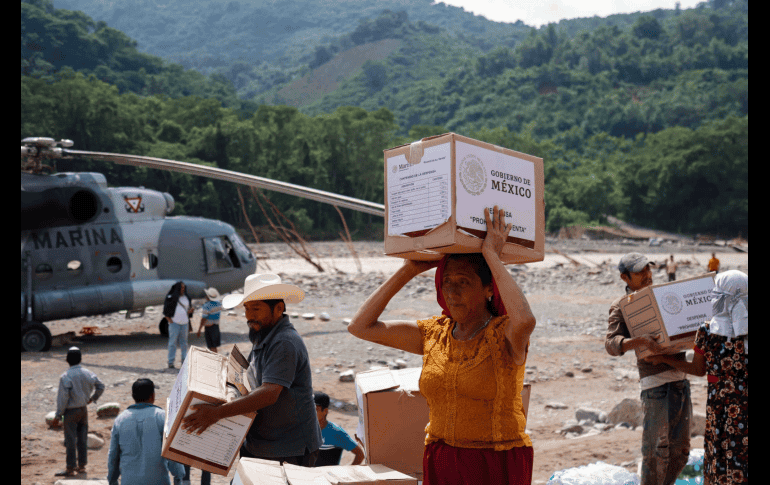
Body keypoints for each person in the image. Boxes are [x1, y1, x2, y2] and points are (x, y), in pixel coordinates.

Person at [347, 206, 535, 485]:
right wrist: (408, 270)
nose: (452, 291)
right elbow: (360, 326)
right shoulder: (434, 334)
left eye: (463, 282)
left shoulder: (503, 335)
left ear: (488, 290)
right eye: (447, 282)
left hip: (495, 461)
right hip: (442, 457)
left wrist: (492, 256)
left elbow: (526, 320)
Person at [181, 273, 322, 467]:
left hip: (288, 448)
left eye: (256, 308)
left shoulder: (284, 342)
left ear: (278, 309)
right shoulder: (263, 334)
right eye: (246, 308)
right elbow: (248, 376)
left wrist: (216, 413)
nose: (249, 315)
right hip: (262, 444)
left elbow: (269, 393)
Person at [646, 270, 748, 484]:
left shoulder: (707, 330)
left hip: (720, 405)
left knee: (720, 451)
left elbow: (698, 369)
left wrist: (664, 358)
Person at [605, 253, 692, 485]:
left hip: (681, 380)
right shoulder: (621, 306)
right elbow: (611, 344)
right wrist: (641, 341)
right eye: (639, 272)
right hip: (655, 386)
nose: (647, 275)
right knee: (655, 452)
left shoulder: (665, 296)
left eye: (648, 269)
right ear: (625, 277)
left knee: (682, 450)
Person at [107, 378, 185, 485]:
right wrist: (178, 476)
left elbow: (113, 455)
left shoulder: (120, 420)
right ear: (153, 396)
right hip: (159, 481)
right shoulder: (161, 417)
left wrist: (112, 479)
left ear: (133, 396)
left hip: (129, 481)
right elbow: (172, 452)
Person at [52, 346, 105, 477]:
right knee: (82, 439)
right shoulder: (88, 373)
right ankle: (82, 466)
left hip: (70, 412)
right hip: (83, 410)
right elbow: (101, 386)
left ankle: (70, 468)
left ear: (67, 360)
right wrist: (93, 398)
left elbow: (63, 399)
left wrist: (58, 415)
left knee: (70, 440)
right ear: (80, 359)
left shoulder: (65, 376)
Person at [313, 391, 365, 466]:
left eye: (315, 410)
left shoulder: (336, 433)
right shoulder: (305, 430)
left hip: (327, 477)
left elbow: (360, 455)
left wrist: (348, 474)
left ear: (325, 411)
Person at [163, 281, 194, 369]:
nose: (183, 289)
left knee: (184, 343)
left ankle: (184, 361)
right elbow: (166, 309)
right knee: (172, 343)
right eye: (181, 288)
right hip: (174, 324)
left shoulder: (186, 297)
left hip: (184, 323)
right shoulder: (171, 297)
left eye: (184, 288)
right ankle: (170, 362)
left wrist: (190, 312)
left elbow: (187, 309)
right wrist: (170, 320)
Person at [197, 287, 223, 353]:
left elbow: (203, 318)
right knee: (215, 347)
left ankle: (213, 361)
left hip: (209, 328)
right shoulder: (219, 304)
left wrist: (199, 329)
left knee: (211, 347)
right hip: (216, 327)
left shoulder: (207, 306)